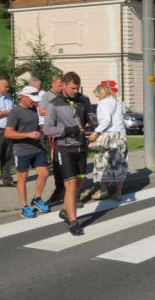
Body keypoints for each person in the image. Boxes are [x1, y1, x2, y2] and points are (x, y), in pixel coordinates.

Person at [43, 72, 90, 236]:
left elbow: (86, 121)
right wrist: (69, 130)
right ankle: (73, 222)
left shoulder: (83, 101)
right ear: (63, 85)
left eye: (77, 88)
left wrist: (91, 127)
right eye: (72, 88)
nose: (75, 91)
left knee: (79, 184)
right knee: (70, 186)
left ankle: (65, 209)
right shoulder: (53, 104)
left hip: (81, 148)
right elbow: (47, 129)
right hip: (64, 149)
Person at [4, 86, 50, 218]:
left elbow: (35, 126)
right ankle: (24, 207)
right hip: (22, 150)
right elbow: (8, 133)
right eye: (31, 99)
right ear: (23, 96)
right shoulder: (15, 112)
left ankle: (37, 199)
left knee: (44, 173)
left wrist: (41, 130)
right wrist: (28, 134)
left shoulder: (34, 108)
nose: (34, 102)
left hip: (37, 147)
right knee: (22, 179)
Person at [88, 84, 128, 201]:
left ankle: (104, 190)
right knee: (120, 163)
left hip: (109, 136)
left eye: (97, 95)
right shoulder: (118, 102)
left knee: (102, 162)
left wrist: (96, 132)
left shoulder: (103, 103)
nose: (98, 98)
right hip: (121, 135)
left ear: (101, 93)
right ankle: (118, 192)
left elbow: (105, 120)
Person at [41, 74, 65, 205]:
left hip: (63, 128)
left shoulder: (63, 95)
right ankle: (56, 167)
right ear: (53, 83)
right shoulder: (47, 95)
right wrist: (56, 111)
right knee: (55, 150)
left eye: (62, 85)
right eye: (59, 85)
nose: (61, 87)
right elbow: (41, 110)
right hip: (53, 128)